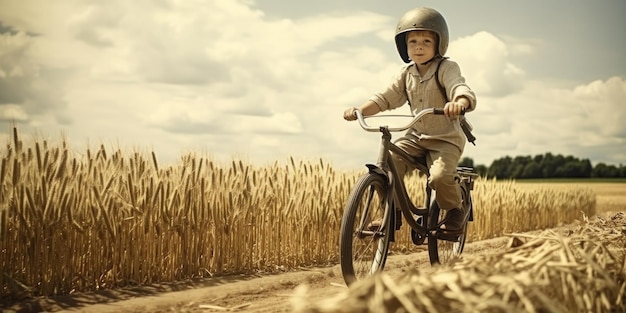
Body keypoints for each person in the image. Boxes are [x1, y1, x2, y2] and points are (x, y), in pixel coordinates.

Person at [343, 7, 476, 234]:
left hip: (445, 139)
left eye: (426, 41)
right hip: (416, 137)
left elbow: (459, 87)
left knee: (439, 177)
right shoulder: (406, 74)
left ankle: (455, 211)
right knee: (386, 166)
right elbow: (385, 98)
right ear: (404, 46)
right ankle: (390, 212)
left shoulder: (446, 68)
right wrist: (360, 111)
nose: (419, 46)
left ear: (439, 44)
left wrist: (459, 102)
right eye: (412, 41)